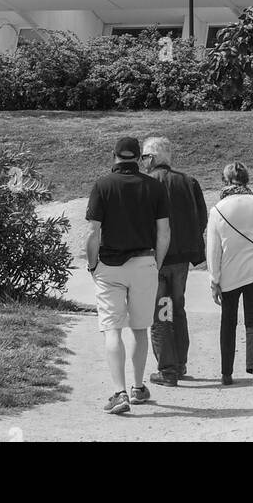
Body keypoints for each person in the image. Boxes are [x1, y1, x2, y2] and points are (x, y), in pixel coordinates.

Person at [85, 135, 171, 415]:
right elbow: (164, 232)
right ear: (138, 157)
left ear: (115, 156)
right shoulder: (154, 186)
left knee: (112, 329)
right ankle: (137, 387)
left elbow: (93, 233)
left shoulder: (102, 185)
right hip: (145, 260)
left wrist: (92, 264)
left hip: (109, 265)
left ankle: (119, 392)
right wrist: (156, 262)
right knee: (139, 328)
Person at [206, 160, 253, 392]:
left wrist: (214, 280)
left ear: (225, 181)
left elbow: (213, 249)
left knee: (228, 321)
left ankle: (226, 372)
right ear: (247, 180)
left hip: (229, 273)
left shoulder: (218, 209)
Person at [141, 136, 207, 387]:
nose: (143, 162)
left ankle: (167, 369)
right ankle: (179, 363)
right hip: (181, 260)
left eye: (145, 157)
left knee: (161, 312)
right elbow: (201, 218)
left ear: (154, 158)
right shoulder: (188, 181)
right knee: (177, 308)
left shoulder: (146, 184)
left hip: (157, 258)